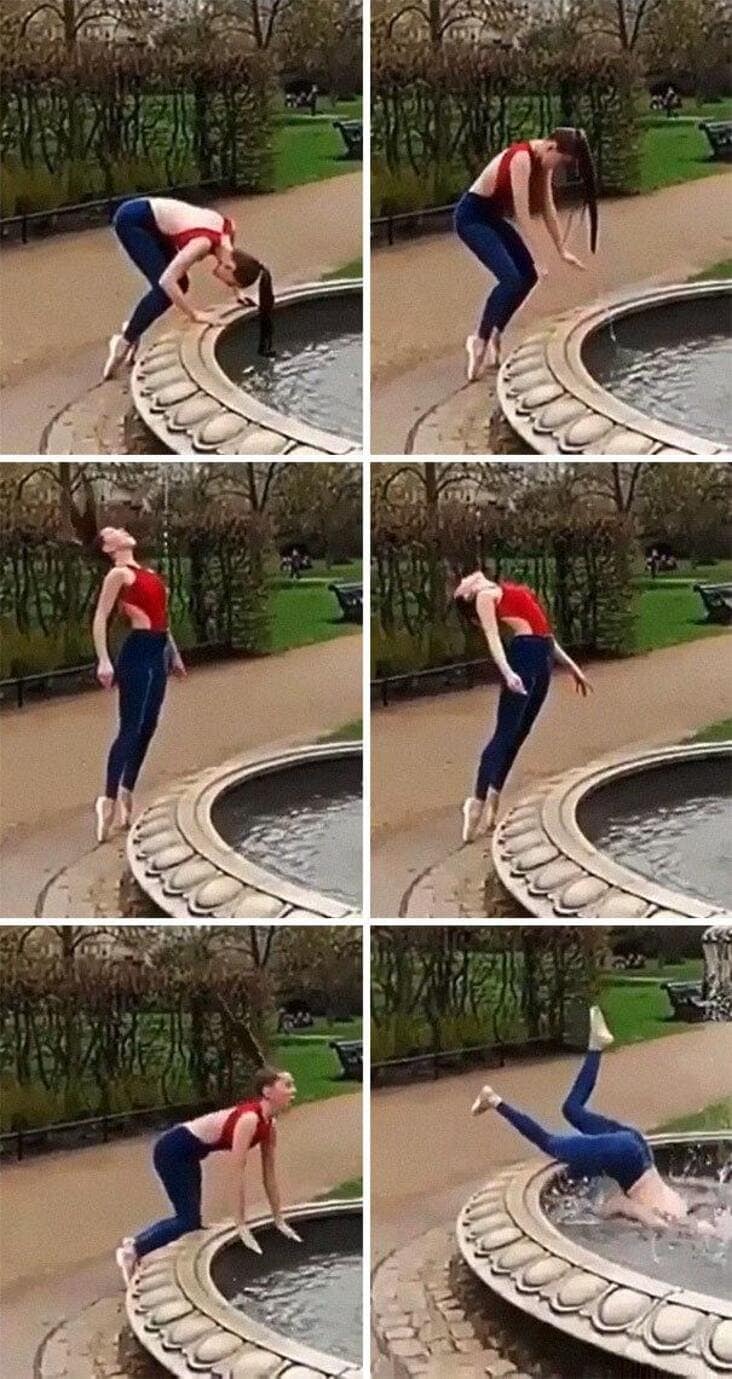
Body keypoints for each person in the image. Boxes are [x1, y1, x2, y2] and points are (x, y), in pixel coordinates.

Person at [471, 1008, 690, 1230]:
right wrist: (599, 1214)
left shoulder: (681, 1207)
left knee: (572, 1109)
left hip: (638, 1147)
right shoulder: (664, 1223)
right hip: (623, 1157)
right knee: (548, 1142)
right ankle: (493, 1100)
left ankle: (596, 1045)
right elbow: (621, 1205)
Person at [115, 1067, 300, 1285]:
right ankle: (133, 1250)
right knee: (187, 1221)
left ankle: (137, 1244)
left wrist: (278, 1218)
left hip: (188, 1155)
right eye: (287, 1086)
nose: (293, 1091)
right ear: (267, 1091)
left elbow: (269, 1172)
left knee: (190, 1220)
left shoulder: (269, 1124)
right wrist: (240, 1224)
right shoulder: (249, 1119)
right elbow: (236, 1173)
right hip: (172, 1150)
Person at [454, 570, 591, 842]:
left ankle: (494, 793)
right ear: (468, 594)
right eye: (461, 585)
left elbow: (545, 633)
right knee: (504, 733)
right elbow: (493, 637)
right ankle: (477, 802)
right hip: (525, 656)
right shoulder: (483, 596)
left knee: (519, 733)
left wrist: (572, 666)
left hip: (542, 655)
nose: (464, 578)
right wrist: (507, 672)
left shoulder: (502, 589)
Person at [454, 128, 599, 380]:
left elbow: (547, 207)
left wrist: (561, 249)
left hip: (491, 217)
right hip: (471, 218)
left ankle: (497, 329)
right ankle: (478, 340)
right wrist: (540, 257)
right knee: (510, 278)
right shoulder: (522, 159)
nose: (560, 167)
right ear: (552, 147)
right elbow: (522, 215)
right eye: (562, 161)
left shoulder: (544, 162)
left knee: (528, 276)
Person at [103, 196, 275, 379]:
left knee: (179, 285)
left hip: (155, 223)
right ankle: (123, 342)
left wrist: (238, 293)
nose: (226, 284)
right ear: (230, 267)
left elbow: (235, 263)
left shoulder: (228, 241)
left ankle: (133, 327)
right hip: (133, 221)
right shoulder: (202, 243)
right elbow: (166, 281)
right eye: (230, 282)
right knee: (166, 290)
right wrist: (194, 314)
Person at [92, 525, 186, 843]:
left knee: (149, 726)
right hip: (137, 653)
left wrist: (173, 653)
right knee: (130, 727)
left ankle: (127, 790)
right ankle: (107, 800)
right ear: (108, 548)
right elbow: (100, 616)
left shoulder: (146, 572)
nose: (122, 530)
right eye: (112, 532)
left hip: (157, 651)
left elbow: (163, 616)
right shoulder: (117, 575)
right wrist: (104, 659)